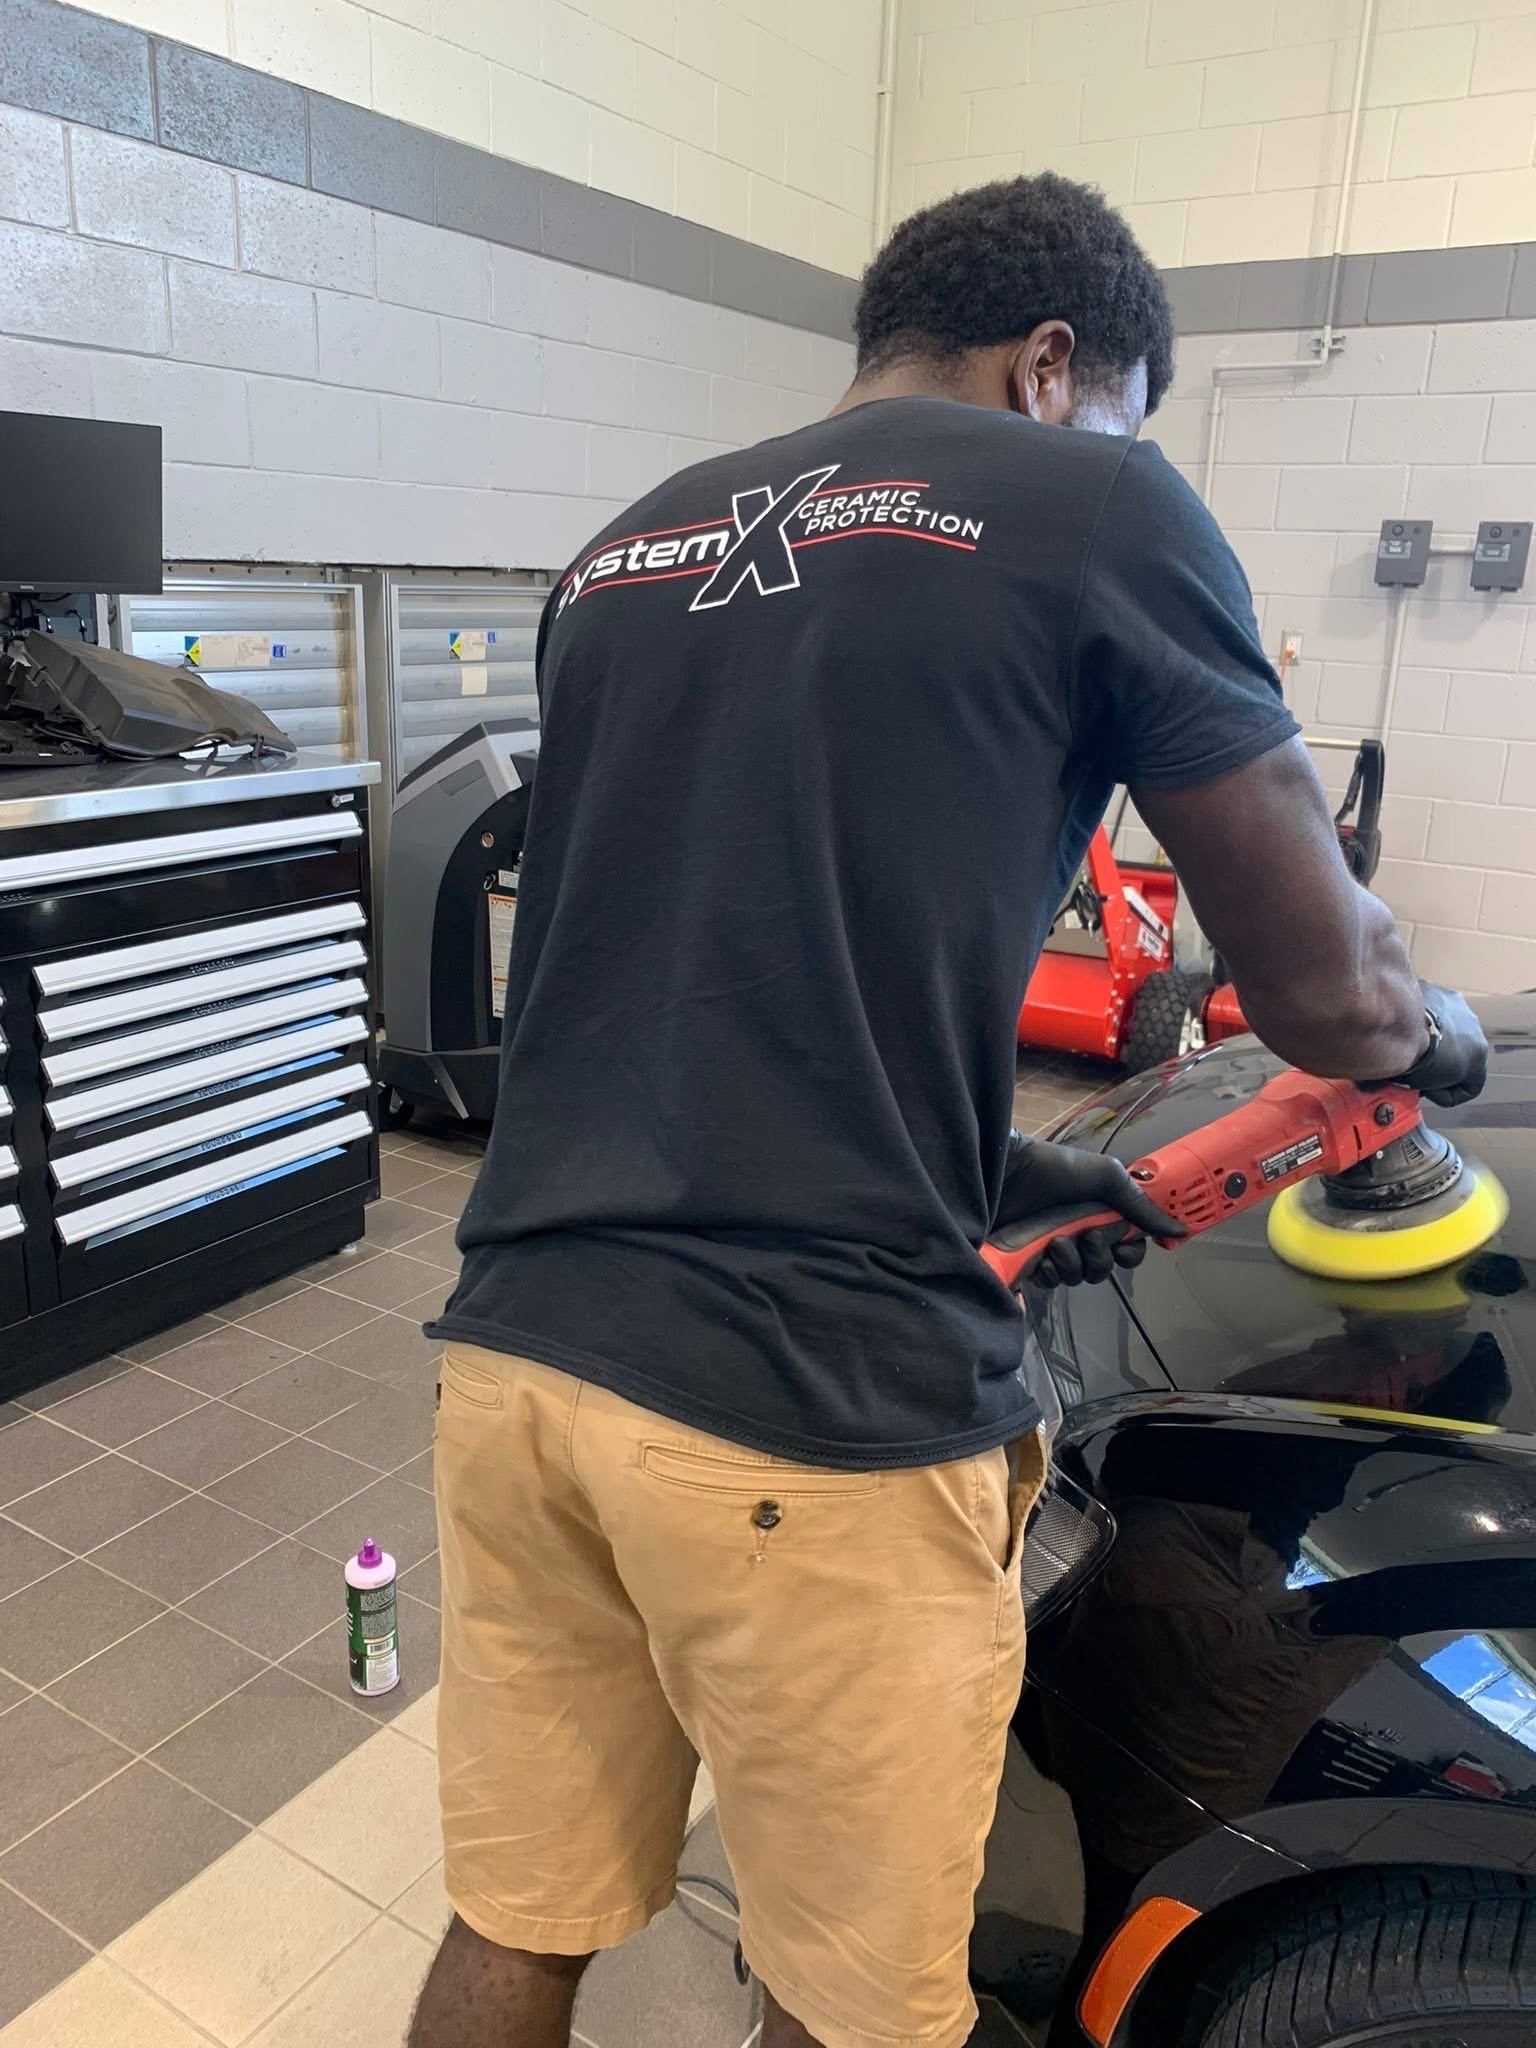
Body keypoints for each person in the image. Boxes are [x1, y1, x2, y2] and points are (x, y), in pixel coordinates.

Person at [412, 172, 1487, 2048]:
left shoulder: (625, 549)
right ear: (1054, 365)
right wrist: (1425, 1027)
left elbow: (688, 977)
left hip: (522, 1373)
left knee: (521, 1917)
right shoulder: (1096, 502)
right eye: (1125, 413)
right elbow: (1321, 986)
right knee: (853, 2004)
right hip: (807, 1421)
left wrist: (1004, 1153)